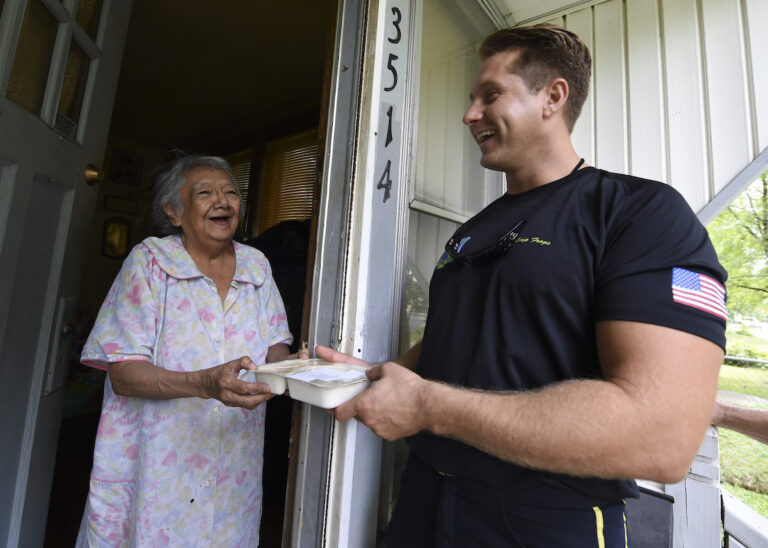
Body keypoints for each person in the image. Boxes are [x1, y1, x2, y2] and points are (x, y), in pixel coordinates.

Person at [317, 23, 728, 547]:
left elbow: (662, 435)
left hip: (547, 517)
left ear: (553, 97)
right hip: (425, 498)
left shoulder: (637, 213)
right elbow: (462, 336)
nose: (469, 114)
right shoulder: (473, 230)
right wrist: (376, 374)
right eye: (471, 99)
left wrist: (428, 407)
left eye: (491, 95)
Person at [76, 155, 304, 546]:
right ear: (174, 211)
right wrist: (203, 383)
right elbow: (124, 373)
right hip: (160, 465)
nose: (223, 201)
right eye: (205, 193)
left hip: (234, 462)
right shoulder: (150, 262)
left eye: (231, 192)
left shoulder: (257, 266)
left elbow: (274, 350)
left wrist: (299, 368)